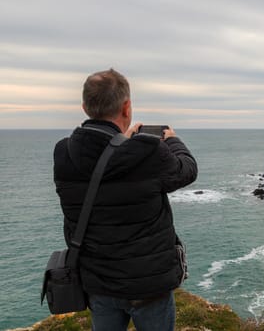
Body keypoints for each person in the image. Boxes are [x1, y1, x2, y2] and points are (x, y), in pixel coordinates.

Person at [53, 68, 197, 330]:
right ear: (127, 107)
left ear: (85, 107)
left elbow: (103, 166)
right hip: (148, 286)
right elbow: (186, 171)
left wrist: (120, 141)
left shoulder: (64, 152)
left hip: (99, 283)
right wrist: (173, 141)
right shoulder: (148, 151)